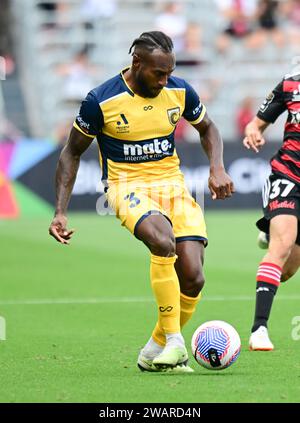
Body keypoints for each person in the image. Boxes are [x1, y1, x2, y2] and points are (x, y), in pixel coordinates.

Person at [49, 31, 234, 372]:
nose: (165, 81)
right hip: (126, 186)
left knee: (193, 276)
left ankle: (154, 350)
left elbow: (208, 128)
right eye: (158, 73)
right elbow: (71, 152)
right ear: (137, 64)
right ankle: (177, 343)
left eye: (169, 73)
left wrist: (217, 167)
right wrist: (60, 210)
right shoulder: (101, 100)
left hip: (173, 187)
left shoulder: (179, 90)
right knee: (163, 242)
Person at [243, 70, 300, 351]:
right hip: (289, 173)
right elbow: (256, 124)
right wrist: (253, 132)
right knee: (283, 244)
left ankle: (271, 232)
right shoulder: (291, 83)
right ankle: (259, 330)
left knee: (288, 269)